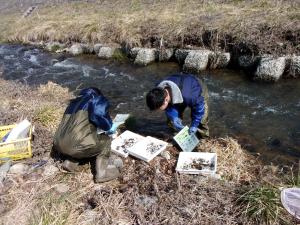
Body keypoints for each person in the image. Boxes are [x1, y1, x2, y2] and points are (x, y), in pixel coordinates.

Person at [53, 87, 119, 183]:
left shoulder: (73, 103)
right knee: (106, 140)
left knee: (78, 139)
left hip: (58, 143)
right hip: (76, 145)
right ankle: (102, 174)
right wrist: (109, 127)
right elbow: (99, 114)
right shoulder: (95, 99)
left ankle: (70, 163)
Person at [146, 73, 209, 138]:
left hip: (197, 88)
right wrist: (174, 117)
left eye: (159, 108)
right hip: (179, 87)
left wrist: (194, 124)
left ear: (166, 100)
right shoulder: (158, 90)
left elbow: (199, 108)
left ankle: (203, 138)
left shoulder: (190, 96)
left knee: (201, 120)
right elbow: (169, 107)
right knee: (172, 122)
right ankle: (177, 136)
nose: (158, 111)